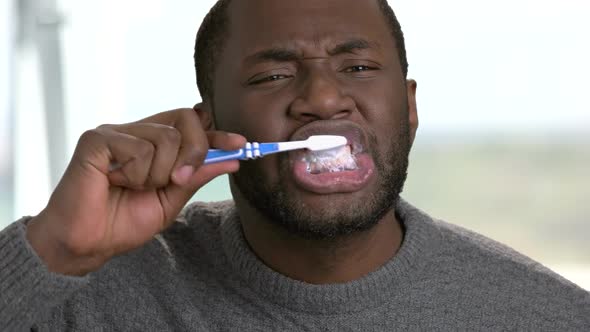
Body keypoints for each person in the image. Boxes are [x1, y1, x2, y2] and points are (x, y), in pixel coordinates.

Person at [1, 0, 589, 330]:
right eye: (271, 76)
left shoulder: (550, 317)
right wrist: (55, 248)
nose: (323, 99)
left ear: (409, 109)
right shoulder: (79, 293)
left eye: (357, 68)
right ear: (210, 128)